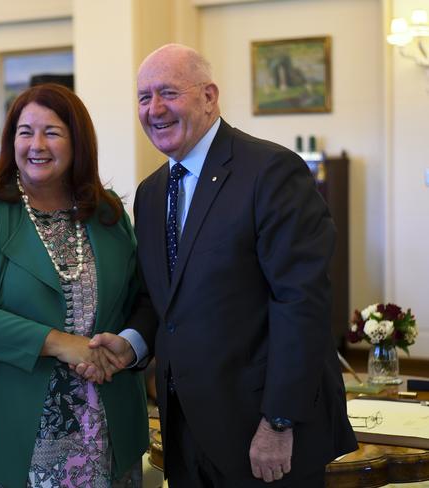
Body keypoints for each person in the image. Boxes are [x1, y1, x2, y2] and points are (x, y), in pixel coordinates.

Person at [80, 44, 357, 487]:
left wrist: (278, 422)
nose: (154, 109)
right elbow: (160, 298)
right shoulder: (151, 194)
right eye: (143, 97)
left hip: (262, 432)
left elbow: (300, 302)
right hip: (185, 431)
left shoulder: (271, 171)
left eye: (167, 92)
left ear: (209, 97)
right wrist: (132, 343)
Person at [0, 83, 151, 487]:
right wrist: (63, 342)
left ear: (77, 140)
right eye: (25, 132)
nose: (36, 144)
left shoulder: (108, 211)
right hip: (11, 417)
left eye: (52, 132)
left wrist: (129, 344)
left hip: (103, 419)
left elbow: (143, 298)